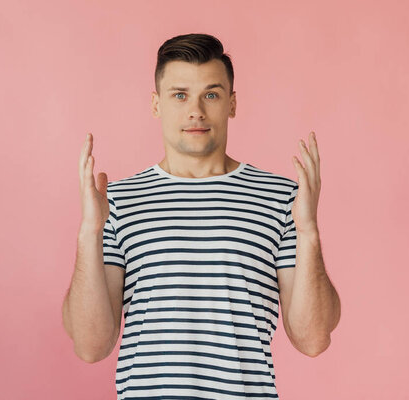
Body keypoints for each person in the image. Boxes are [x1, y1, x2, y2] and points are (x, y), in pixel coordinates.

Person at [62, 33, 341, 399]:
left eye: (211, 94)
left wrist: (308, 232)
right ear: (156, 104)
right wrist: (88, 233)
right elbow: (89, 345)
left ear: (232, 103)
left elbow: (313, 338)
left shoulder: (281, 198)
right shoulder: (117, 201)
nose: (196, 110)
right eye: (180, 95)